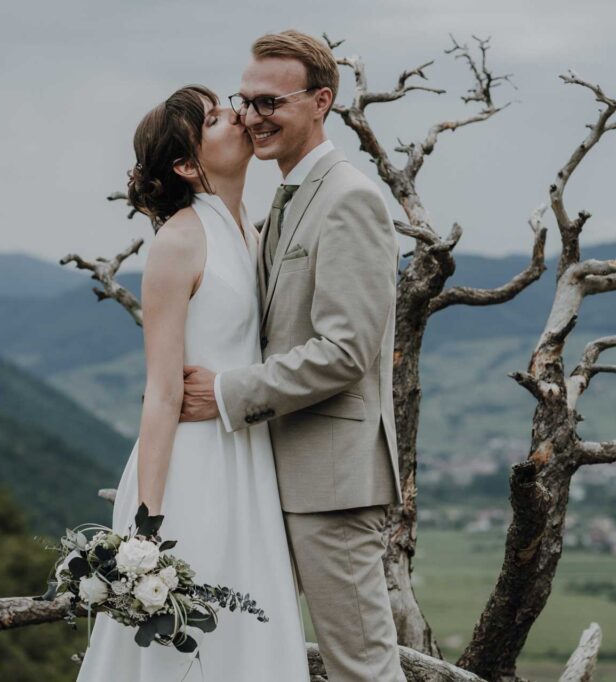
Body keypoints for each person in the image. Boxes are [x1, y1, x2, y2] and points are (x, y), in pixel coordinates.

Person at [180, 30, 407, 682]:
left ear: (321, 102)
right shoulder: (283, 198)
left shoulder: (349, 198)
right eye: (243, 101)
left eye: (269, 102)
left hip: (331, 486)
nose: (252, 116)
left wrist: (226, 392)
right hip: (269, 476)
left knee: (362, 668)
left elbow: (346, 351)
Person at [75, 84, 310, 682]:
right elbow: (160, 390)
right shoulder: (179, 240)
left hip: (249, 460)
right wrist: (145, 531)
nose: (237, 114)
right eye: (214, 117)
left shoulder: (251, 232)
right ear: (186, 163)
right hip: (195, 473)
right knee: (187, 648)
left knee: (250, 637)